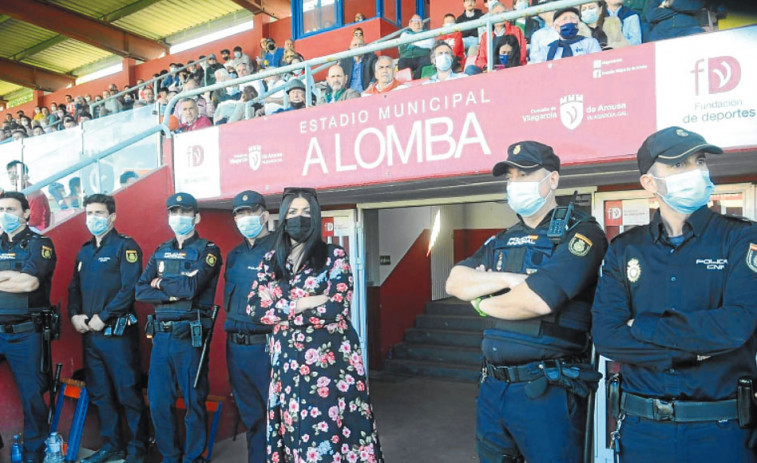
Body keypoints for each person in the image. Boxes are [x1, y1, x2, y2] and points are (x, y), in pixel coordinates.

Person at [592, 127, 757, 462]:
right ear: (650, 184)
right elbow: (607, 337)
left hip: (721, 431)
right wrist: (688, 352)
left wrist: (642, 326)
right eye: (679, 165)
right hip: (642, 430)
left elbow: (736, 325)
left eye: (698, 161)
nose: (695, 171)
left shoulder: (741, 238)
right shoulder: (625, 249)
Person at [445, 141, 607, 463]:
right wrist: (507, 280)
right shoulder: (502, 239)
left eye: (526, 174)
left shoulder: (582, 233)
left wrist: (481, 301)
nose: (515, 184)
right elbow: (454, 282)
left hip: (546, 391)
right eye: (510, 177)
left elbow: (538, 300)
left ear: (553, 180)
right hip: (493, 388)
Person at [247, 187, 383, 462]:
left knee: (333, 433)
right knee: (295, 435)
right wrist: (304, 303)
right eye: (293, 212)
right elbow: (255, 309)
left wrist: (281, 306)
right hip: (287, 366)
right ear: (283, 217)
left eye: (307, 212)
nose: (299, 218)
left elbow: (336, 307)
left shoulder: (334, 256)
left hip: (332, 366)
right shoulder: (270, 262)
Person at [135, 192, 222, 463]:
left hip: (190, 337)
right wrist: (175, 291)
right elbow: (140, 290)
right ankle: (170, 456)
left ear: (196, 217)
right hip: (161, 336)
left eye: (185, 212)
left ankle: (193, 457)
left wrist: (160, 283)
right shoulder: (161, 250)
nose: (179, 217)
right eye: (174, 212)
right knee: (159, 402)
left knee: (194, 402)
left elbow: (192, 288)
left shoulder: (208, 250)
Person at [68, 194, 148, 463]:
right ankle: (112, 445)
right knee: (101, 393)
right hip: (90, 336)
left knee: (127, 392)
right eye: (89, 213)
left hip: (117, 335)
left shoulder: (125, 246)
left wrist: (104, 316)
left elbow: (130, 288)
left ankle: (138, 449)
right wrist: (74, 315)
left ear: (112, 217)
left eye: (99, 213)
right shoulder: (84, 250)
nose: (93, 218)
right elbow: (74, 288)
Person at [0, 191, 57, 463]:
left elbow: (29, 283)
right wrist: (12, 276)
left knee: (32, 399)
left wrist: (16, 279)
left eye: (11, 209)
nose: (4, 214)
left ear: (25, 213)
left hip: (25, 334)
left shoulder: (39, 244)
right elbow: (18, 281)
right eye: (0, 209)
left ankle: (34, 455)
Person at [224, 191, 275, 463]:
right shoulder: (233, 255)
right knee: (251, 418)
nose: (244, 219)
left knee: (275, 416)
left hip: (266, 348)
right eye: (239, 214)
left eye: (250, 212)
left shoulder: (282, 249)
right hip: (235, 349)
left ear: (265, 215)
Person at [466, 2, 527, 74]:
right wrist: (486, 67)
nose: (500, 16)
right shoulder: (486, 36)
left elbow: (521, 54)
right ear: (491, 16)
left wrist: (500, 68)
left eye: (503, 13)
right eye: (497, 13)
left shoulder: (515, 31)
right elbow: (480, 59)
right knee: (470, 69)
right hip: (490, 69)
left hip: (511, 67)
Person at [537, 7, 603, 62]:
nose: (569, 21)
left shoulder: (590, 42)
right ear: (556, 27)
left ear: (578, 24)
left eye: (572, 18)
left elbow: (597, 64)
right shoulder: (547, 49)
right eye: (564, 19)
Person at [6, 161, 51, 231]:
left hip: (37, 230)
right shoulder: (18, 191)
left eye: (15, 173)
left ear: (24, 175)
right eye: (9, 173)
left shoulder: (32, 192)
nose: (11, 177)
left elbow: (35, 220)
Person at [398, 15, 434, 79]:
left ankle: (416, 79)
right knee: (401, 62)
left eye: (419, 21)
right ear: (410, 24)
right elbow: (401, 47)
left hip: (422, 57)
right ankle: (406, 84)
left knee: (427, 60)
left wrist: (412, 42)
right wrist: (421, 42)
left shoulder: (428, 33)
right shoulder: (405, 34)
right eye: (414, 21)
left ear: (422, 24)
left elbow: (430, 44)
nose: (417, 23)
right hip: (407, 57)